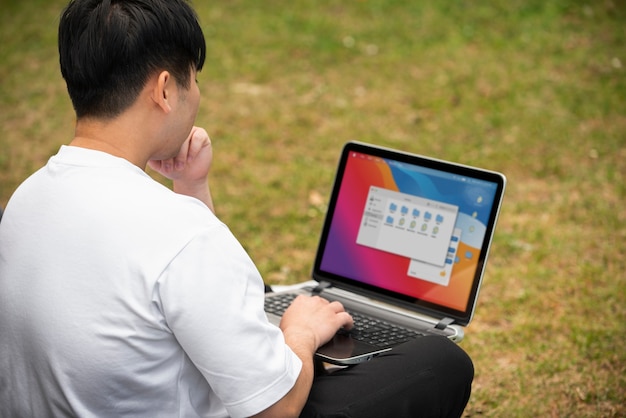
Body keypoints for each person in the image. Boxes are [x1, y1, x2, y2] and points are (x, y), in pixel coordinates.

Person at [0, 0, 474, 417]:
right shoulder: (181, 235)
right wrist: (301, 333)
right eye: (195, 79)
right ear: (165, 90)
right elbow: (276, 407)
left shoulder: (27, 198)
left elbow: (171, 287)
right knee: (440, 363)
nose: (198, 95)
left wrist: (191, 184)